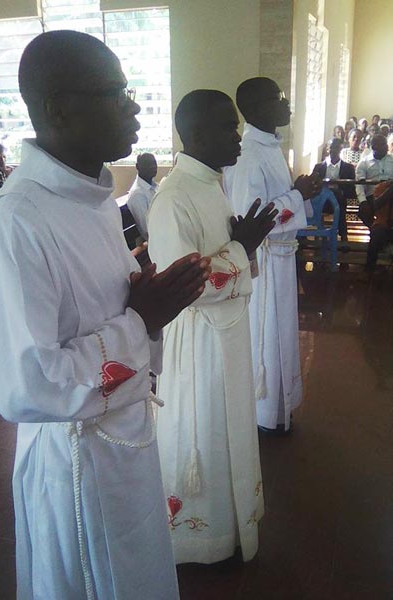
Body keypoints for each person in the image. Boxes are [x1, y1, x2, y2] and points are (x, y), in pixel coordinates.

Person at [0, 30, 212, 600]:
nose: (133, 106)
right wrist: (138, 322)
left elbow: (116, 313)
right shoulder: (16, 220)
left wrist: (144, 306)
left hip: (126, 440)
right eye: (115, 92)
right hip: (75, 465)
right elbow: (22, 381)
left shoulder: (93, 198)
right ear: (58, 106)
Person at [148, 89, 278, 565]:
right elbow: (189, 285)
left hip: (228, 334)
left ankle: (233, 527)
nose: (238, 135)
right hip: (200, 341)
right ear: (198, 134)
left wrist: (246, 243)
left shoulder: (209, 182)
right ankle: (201, 540)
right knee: (204, 432)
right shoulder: (173, 197)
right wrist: (242, 246)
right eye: (229, 126)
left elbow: (225, 257)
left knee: (231, 430)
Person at [223, 77, 319, 434]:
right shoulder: (250, 153)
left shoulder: (269, 146)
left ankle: (278, 410)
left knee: (281, 334)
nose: (287, 103)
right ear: (258, 107)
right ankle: (264, 413)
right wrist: (297, 194)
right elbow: (251, 215)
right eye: (279, 97)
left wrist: (299, 193)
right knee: (266, 336)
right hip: (265, 261)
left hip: (281, 256)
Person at [355, 134, 393, 271]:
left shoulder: (392, 160)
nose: (386, 147)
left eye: (386, 144)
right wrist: (363, 201)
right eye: (382, 145)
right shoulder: (364, 163)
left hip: (391, 196)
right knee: (363, 210)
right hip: (373, 197)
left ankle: (382, 236)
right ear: (373, 147)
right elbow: (359, 184)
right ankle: (381, 235)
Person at [313, 138, 355, 246]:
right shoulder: (318, 167)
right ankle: (333, 236)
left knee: (338, 202)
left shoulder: (348, 168)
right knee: (325, 196)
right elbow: (313, 186)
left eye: (337, 147)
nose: (334, 150)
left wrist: (338, 190)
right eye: (331, 147)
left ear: (341, 149)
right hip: (322, 202)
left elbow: (350, 190)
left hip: (339, 201)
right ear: (328, 149)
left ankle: (343, 237)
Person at [127, 152, 158, 240]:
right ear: (137, 166)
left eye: (154, 163)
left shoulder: (155, 187)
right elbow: (147, 229)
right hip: (156, 241)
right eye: (148, 164)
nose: (153, 167)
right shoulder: (138, 194)